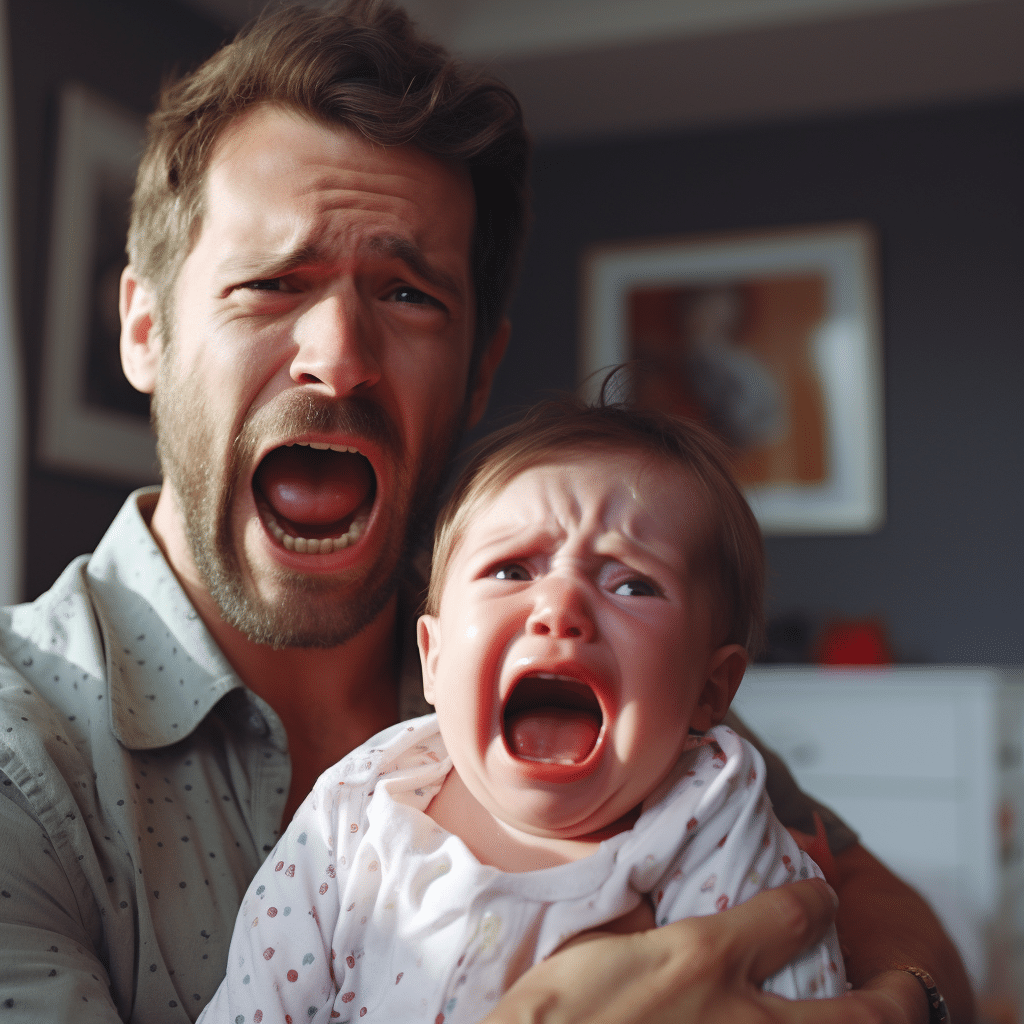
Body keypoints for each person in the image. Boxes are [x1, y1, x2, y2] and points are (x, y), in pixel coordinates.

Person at [0, 2, 972, 1022]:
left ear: (478, 373)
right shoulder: (25, 759)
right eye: (271, 283)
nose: (338, 354)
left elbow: (868, 893)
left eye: (409, 293)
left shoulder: (592, 672)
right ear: (145, 329)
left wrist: (897, 1005)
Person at [197, 399, 847, 1024]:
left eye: (631, 583)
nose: (560, 607)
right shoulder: (357, 812)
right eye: (511, 570)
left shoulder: (718, 825)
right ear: (435, 658)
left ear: (712, 688)